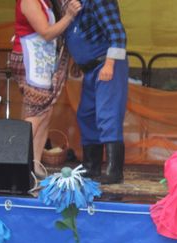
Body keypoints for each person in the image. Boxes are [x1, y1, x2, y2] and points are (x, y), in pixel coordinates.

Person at [11, 0, 82, 177]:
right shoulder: (29, 1)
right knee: (35, 113)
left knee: (45, 114)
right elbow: (46, 33)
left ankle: (34, 164)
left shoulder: (47, 2)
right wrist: (69, 16)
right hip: (30, 60)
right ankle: (17, 163)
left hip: (42, 61)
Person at [64, 0, 128, 184]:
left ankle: (114, 170)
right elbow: (82, 34)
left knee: (108, 114)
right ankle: (91, 165)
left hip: (106, 63)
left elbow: (118, 35)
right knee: (87, 114)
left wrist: (109, 64)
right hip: (91, 68)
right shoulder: (76, 4)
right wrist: (79, 62)